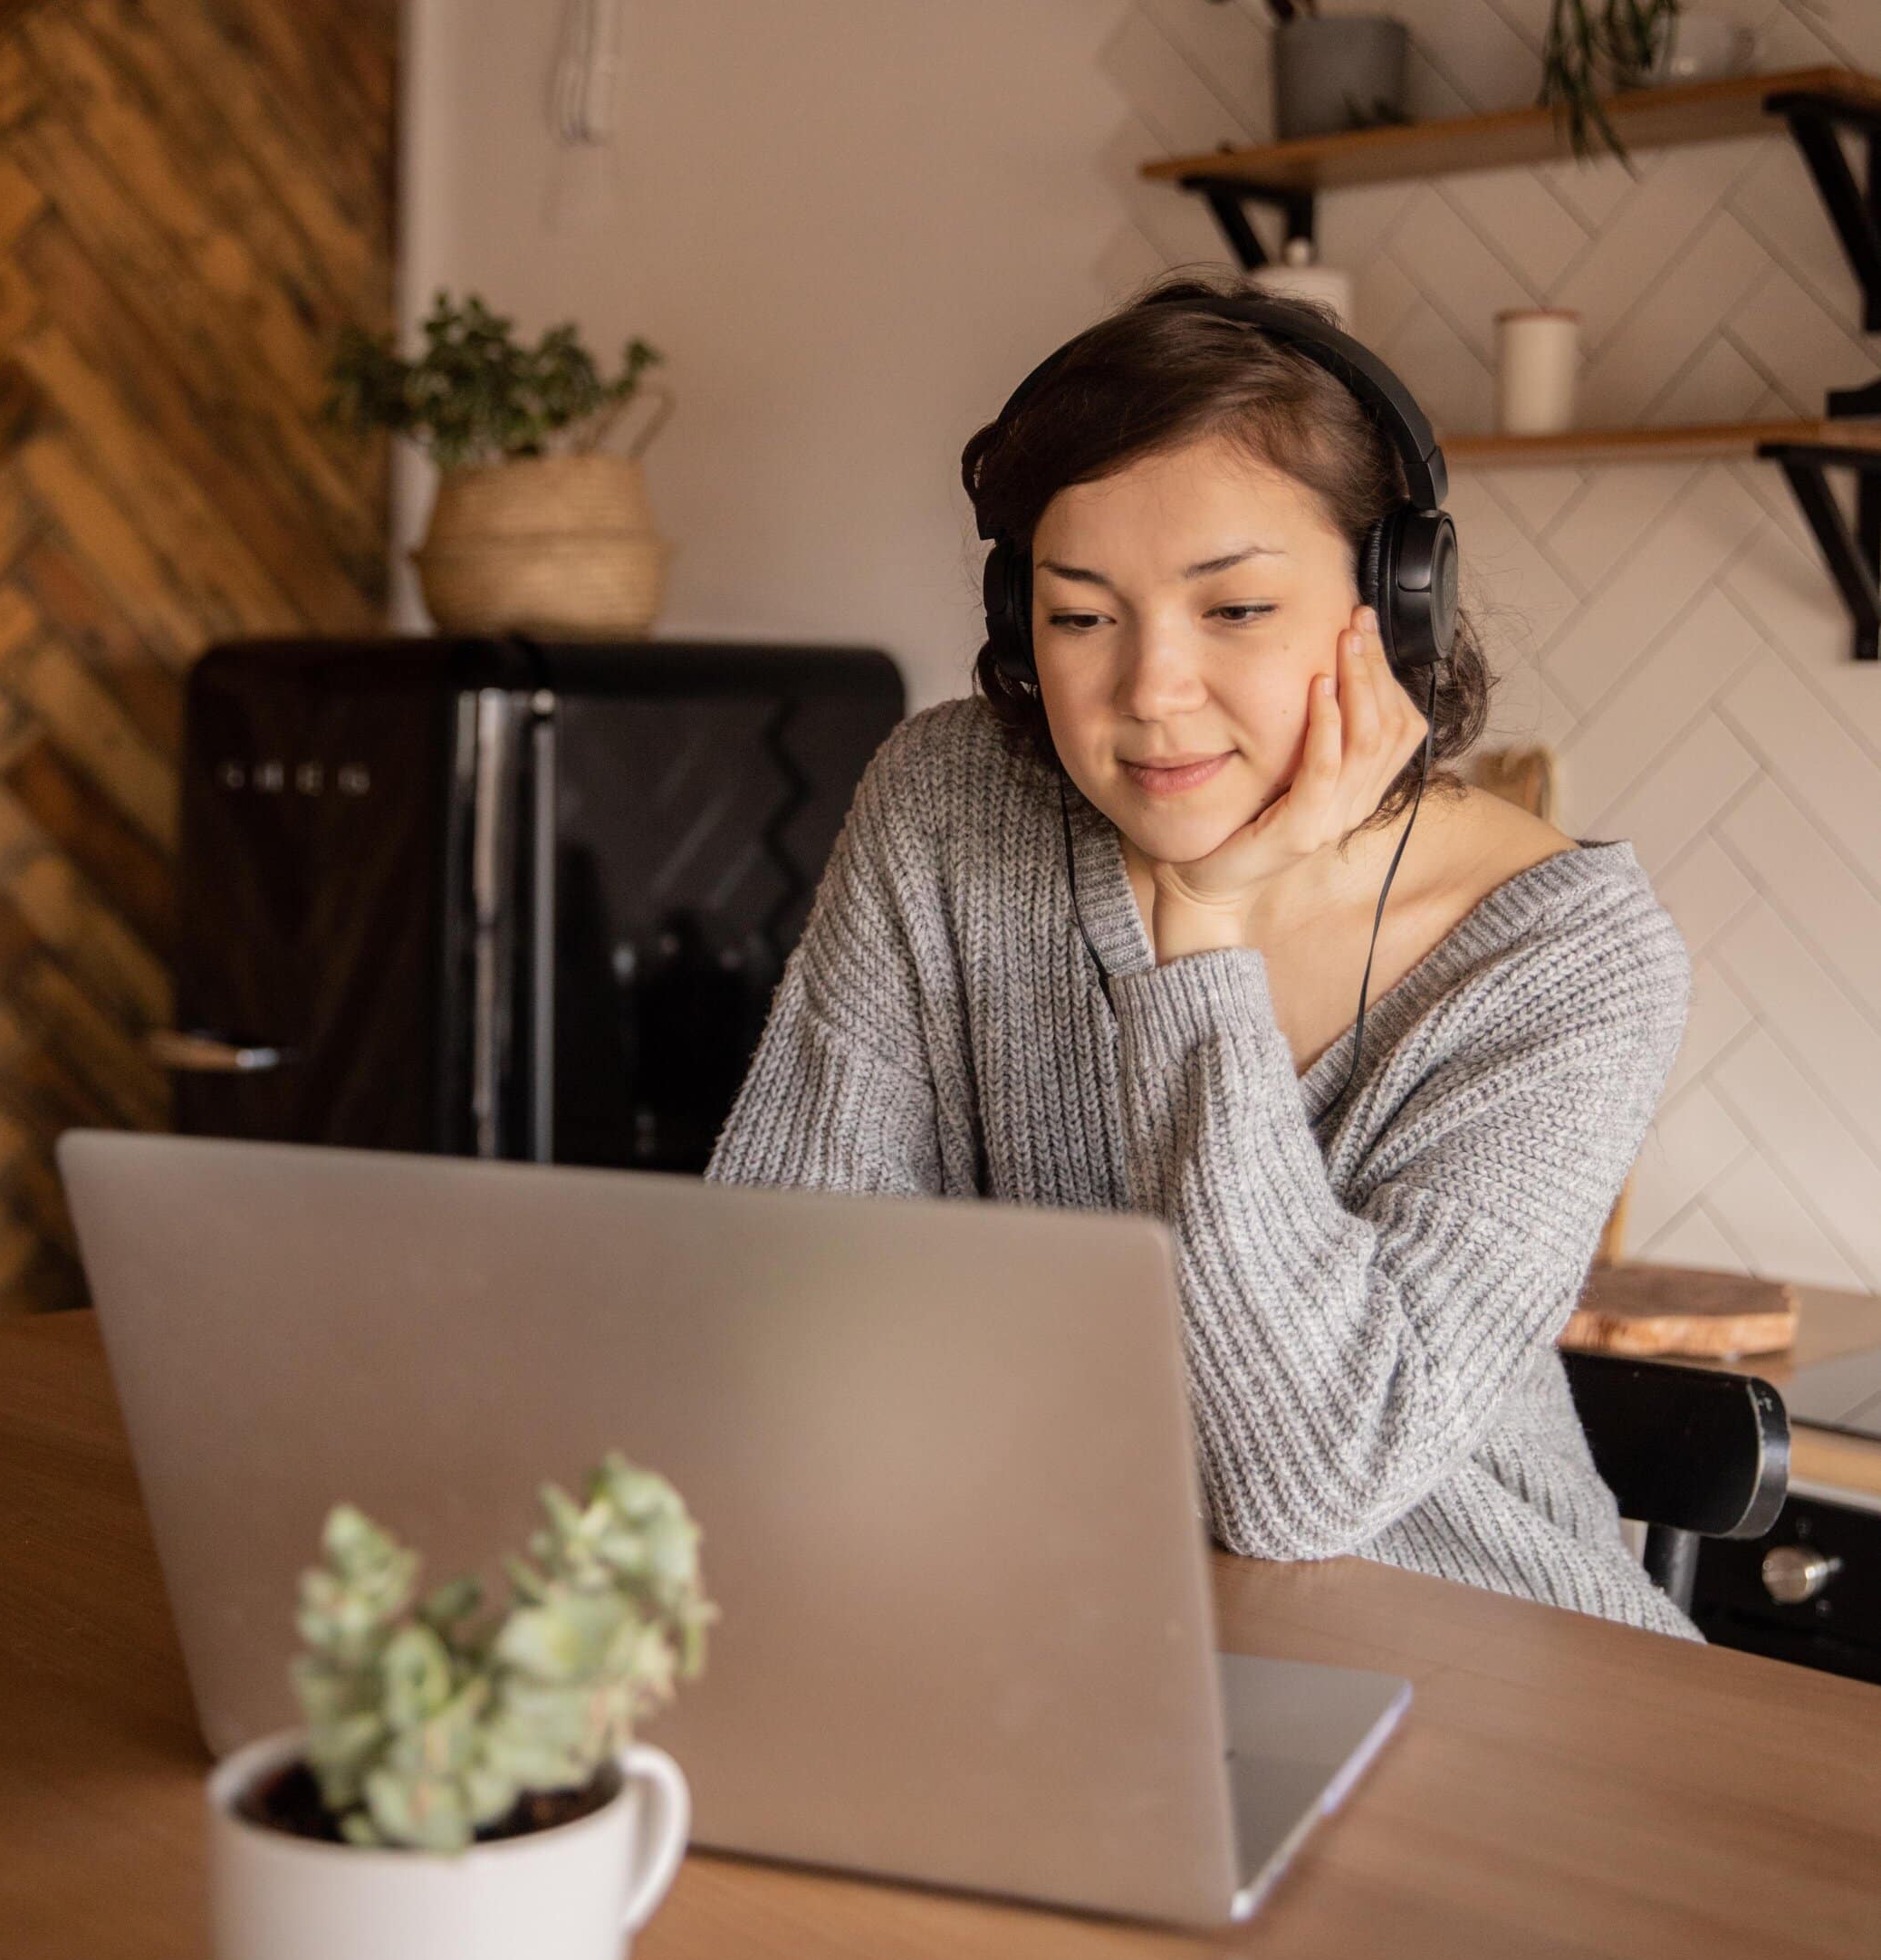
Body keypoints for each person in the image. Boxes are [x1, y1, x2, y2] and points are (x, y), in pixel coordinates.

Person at [705, 269, 1700, 1642]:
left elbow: (1306, 1481)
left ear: (1392, 609)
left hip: (1498, 1670)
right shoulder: (949, 806)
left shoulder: (1572, 958)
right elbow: (776, 1308)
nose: (1150, 692)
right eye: (1078, 615)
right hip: (1072, 1642)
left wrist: (1206, 938)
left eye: (1233, 609)